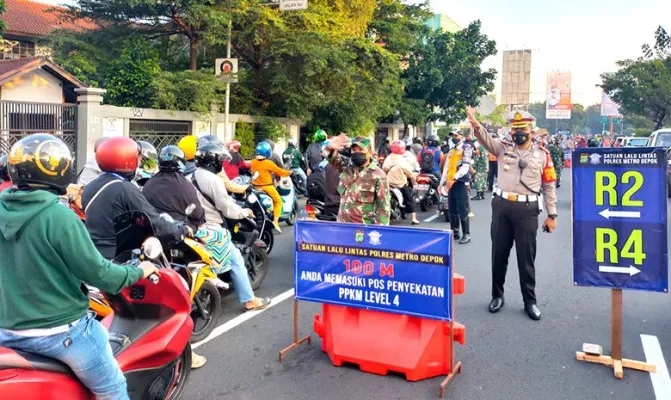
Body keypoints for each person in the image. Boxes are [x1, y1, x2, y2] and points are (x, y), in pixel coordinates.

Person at [0, 133, 159, 400]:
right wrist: (140, 271)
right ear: (60, 171)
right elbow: (100, 275)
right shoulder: (57, 215)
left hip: (7, 329)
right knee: (114, 388)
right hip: (59, 331)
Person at [149, 144, 271, 312]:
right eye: (220, 159)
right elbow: (226, 207)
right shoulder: (212, 179)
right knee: (235, 257)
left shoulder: (186, 176)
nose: (222, 162)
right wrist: (244, 212)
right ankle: (250, 300)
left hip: (177, 226)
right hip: (206, 226)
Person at [468, 107, 558, 321]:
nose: (518, 133)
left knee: (526, 258)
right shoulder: (502, 149)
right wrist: (475, 124)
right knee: (498, 255)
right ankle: (497, 295)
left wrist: (552, 215)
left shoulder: (543, 155)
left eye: (523, 129)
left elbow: (549, 186)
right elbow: (485, 139)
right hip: (502, 207)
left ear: (532, 131)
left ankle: (530, 301)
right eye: (515, 129)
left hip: (527, 212)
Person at [81, 137, 190, 260]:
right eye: (137, 157)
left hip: (92, 253)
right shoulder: (125, 189)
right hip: (117, 257)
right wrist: (181, 231)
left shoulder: (91, 186)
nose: (139, 162)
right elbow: (155, 222)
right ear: (125, 158)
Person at [324, 135, 391, 225]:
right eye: (354, 150)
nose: (357, 153)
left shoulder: (378, 175)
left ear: (370, 152)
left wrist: (377, 232)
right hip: (342, 225)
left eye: (361, 150)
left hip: (362, 228)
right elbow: (328, 155)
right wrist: (330, 147)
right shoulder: (346, 166)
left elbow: (383, 208)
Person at [439, 131, 473, 244]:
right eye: (453, 136)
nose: (454, 138)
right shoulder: (451, 151)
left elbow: (465, 167)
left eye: (457, 136)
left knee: (462, 209)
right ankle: (455, 232)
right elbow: (446, 168)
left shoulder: (466, 148)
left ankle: (466, 234)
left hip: (460, 182)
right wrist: (441, 182)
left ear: (462, 136)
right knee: (452, 208)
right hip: (450, 183)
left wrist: (454, 178)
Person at [251, 141, 291, 233]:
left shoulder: (253, 162)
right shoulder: (268, 163)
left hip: (255, 188)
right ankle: (276, 222)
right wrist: (289, 172)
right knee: (278, 202)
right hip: (267, 187)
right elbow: (280, 171)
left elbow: (259, 171)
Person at [383, 140, 420, 225]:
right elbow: (410, 174)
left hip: (388, 184)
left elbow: (384, 169)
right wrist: (414, 179)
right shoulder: (402, 160)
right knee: (410, 200)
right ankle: (414, 219)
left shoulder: (388, 158)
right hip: (400, 185)